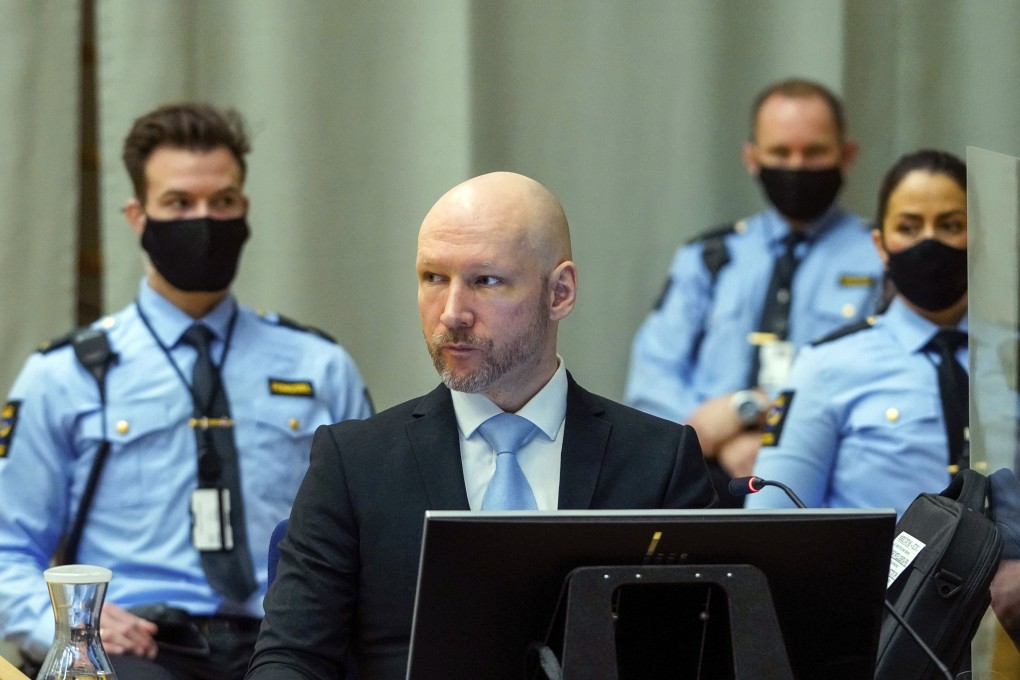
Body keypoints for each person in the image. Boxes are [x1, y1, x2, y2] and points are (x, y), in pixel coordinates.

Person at [245, 171, 717, 679]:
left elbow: (705, 657)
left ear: (559, 292)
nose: (451, 313)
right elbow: (290, 658)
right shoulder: (354, 463)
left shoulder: (658, 460)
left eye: (485, 281)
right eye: (433, 278)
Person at [0, 103, 373, 679]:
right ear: (136, 216)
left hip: (288, 642)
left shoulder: (320, 366)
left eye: (222, 202)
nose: (204, 219)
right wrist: (70, 626)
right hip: (134, 645)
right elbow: (6, 551)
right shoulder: (63, 375)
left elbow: (370, 537)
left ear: (244, 210)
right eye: (178, 203)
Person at [625, 77, 883, 506]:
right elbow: (652, 377)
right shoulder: (710, 255)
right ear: (752, 157)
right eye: (780, 152)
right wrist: (717, 440)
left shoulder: (882, 257)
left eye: (814, 152)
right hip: (703, 478)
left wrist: (766, 424)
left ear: (847, 154)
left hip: (830, 483)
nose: (797, 166)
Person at [747, 149, 968, 517]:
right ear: (881, 246)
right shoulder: (825, 366)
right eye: (908, 228)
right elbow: (770, 523)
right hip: (879, 574)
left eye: (951, 225)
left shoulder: (1008, 353)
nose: (929, 243)